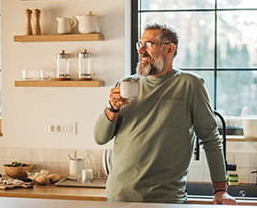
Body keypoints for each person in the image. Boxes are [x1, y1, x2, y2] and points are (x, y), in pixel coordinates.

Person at [94, 23, 236, 205]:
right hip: (119, 196)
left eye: (149, 44)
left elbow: (211, 139)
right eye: (140, 44)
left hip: (166, 199)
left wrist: (221, 191)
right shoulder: (126, 84)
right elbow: (100, 137)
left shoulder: (189, 85)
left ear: (170, 49)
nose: (141, 50)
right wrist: (112, 107)